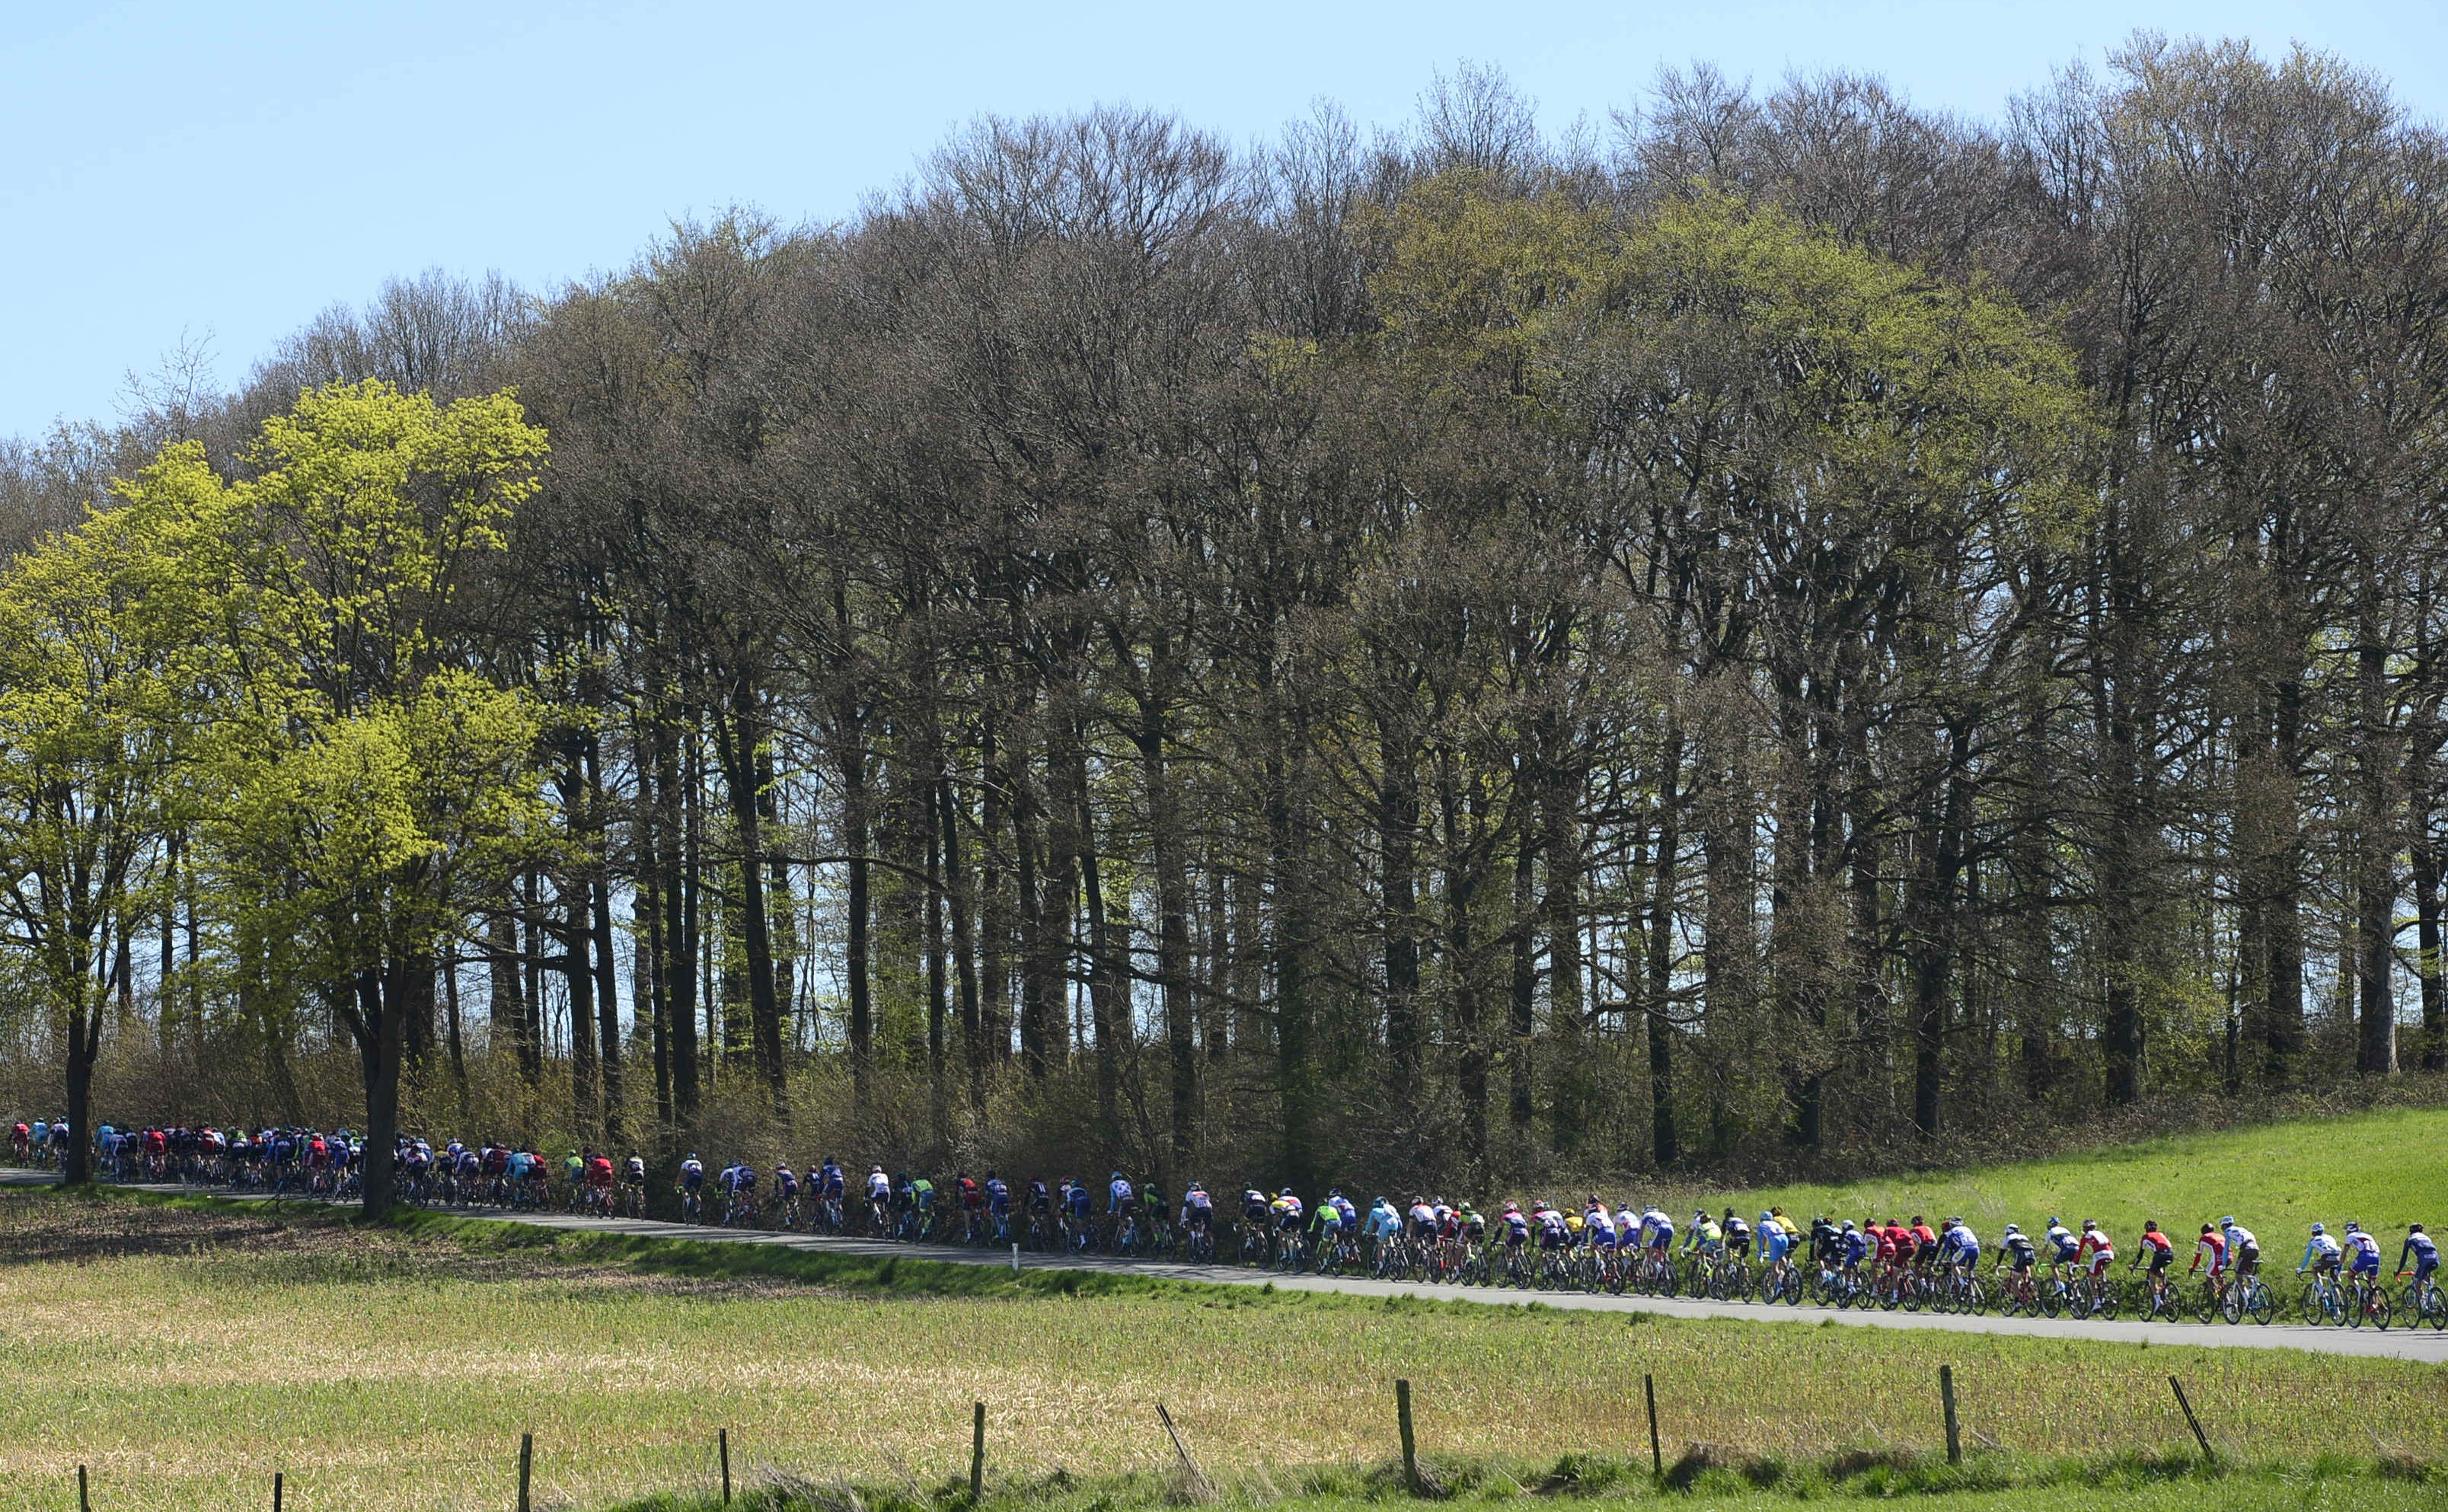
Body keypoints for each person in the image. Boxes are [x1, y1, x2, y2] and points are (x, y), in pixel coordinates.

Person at [2399, 1223, 2438, 1292]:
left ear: (2411, 1231)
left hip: (2423, 1259)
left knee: (2417, 1282)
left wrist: (2398, 1271)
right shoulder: (2427, 1237)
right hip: (2435, 1257)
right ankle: (2432, 1293)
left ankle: (2422, 1301)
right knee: (2425, 1273)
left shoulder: (2409, 1239)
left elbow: (2404, 1258)